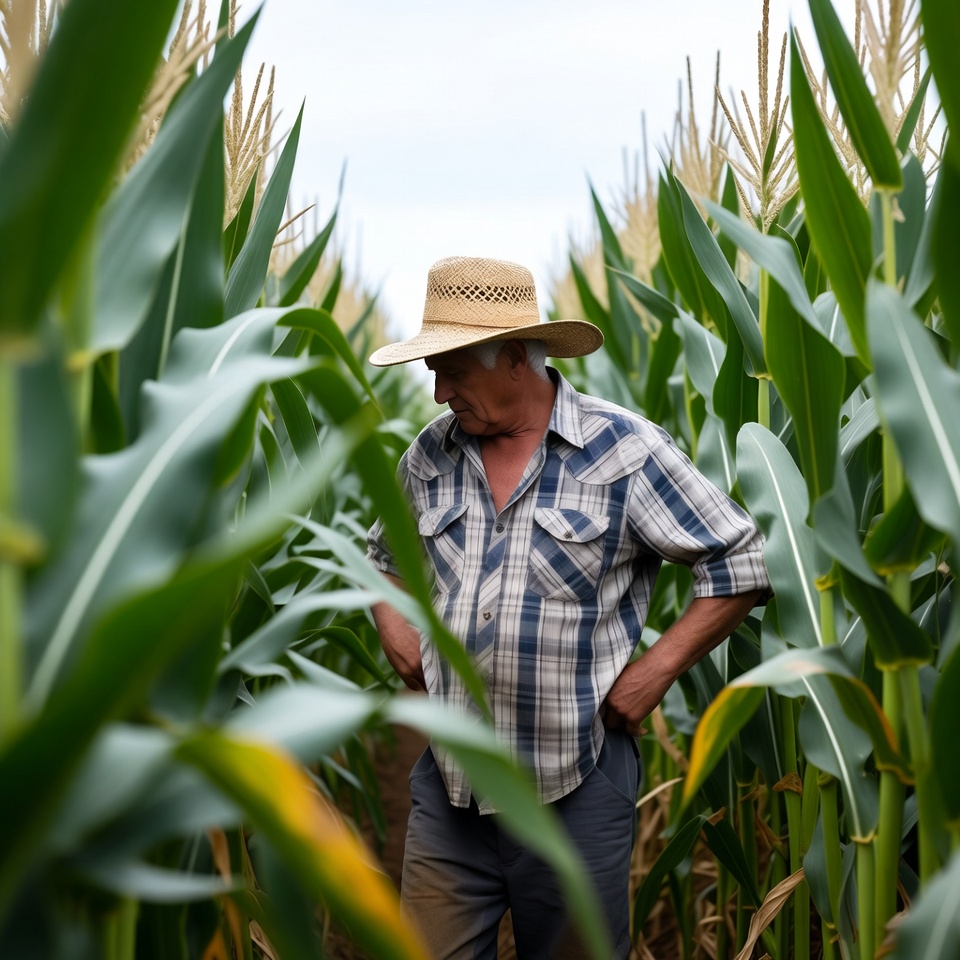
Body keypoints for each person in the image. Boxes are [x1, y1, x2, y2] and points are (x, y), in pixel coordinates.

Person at [366, 256, 769, 959]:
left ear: (515, 357)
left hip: (573, 786)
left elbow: (738, 559)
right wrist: (395, 626)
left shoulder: (623, 452)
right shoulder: (430, 455)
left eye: (452, 371)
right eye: (433, 371)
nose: (438, 392)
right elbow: (383, 555)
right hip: (451, 787)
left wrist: (654, 673)